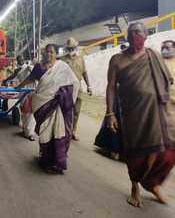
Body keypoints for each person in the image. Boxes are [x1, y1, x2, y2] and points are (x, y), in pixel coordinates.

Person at [106, 22, 175, 207]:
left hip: (159, 111)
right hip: (133, 113)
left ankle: (153, 183)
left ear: (146, 35)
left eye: (138, 32)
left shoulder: (153, 56)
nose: (134, 35)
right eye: (131, 32)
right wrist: (110, 113)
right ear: (127, 36)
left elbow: (167, 80)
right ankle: (135, 185)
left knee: (168, 151)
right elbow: (111, 87)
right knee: (137, 152)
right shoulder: (117, 60)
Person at [17, 44, 79, 174]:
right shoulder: (39, 67)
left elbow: (74, 83)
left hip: (58, 106)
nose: (48, 54)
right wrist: (18, 86)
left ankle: (57, 162)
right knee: (45, 133)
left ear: (56, 53)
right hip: (42, 103)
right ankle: (46, 159)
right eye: (47, 52)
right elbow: (30, 79)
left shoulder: (62, 67)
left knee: (58, 132)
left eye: (51, 52)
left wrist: (63, 95)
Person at [62, 38, 92, 141]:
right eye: (69, 48)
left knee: (77, 110)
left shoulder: (81, 59)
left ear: (76, 47)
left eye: (73, 48)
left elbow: (84, 73)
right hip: (66, 87)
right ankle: (65, 130)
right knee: (65, 109)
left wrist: (89, 86)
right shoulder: (62, 59)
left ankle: (73, 130)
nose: (71, 50)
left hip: (78, 87)